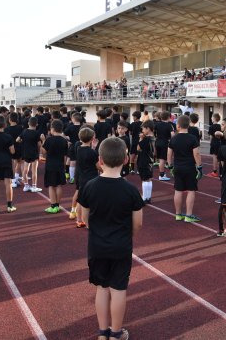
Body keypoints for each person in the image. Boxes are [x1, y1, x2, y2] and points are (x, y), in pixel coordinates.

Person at [78, 137, 144, 340]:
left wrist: (95, 228)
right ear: (126, 159)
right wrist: (128, 236)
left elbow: (84, 217)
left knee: (102, 288)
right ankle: (116, 333)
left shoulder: (89, 186)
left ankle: (102, 332)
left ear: (100, 160)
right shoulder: (131, 190)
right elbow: (138, 223)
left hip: (97, 246)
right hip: (121, 247)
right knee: (118, 290)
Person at [167, 115, 202, 222]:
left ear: (178, 126)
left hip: (177, 167)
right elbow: (196, 154)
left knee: (178, 190)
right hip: (190, 168)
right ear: (188, 125)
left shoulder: (174, 139)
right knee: (191, 190)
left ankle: (178, 214)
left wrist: (170, 166)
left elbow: (169, 154)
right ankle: (188, 215)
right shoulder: (193, 138)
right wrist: (199, 167)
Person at [70, 127, 101, 227]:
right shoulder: (92, 153)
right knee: (89, 203)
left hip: (81, 178)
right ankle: (88, 223)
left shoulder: (78, 149)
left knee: (81, 200)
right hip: (91, 179)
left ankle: (79, 220)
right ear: (92, 139)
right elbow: (98, 166)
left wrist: (93, 148)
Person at [42, 119, 68, 214]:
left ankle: (53, 205)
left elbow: (43, 152)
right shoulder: (64, 141)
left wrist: (43, 140)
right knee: (59, 185)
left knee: (51, 186)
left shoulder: (49, 140)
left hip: (50, 166)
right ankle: (57, 204)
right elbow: (65, 155)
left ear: (52, 129)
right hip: (60, 165)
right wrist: (64, 166)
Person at [17, 116, 43, 192]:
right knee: (34, 170)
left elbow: (17, 139)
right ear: (37, 124)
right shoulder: (37, 133)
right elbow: (39, 145)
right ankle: (34, 186)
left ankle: (26, 185)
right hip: (34, 153)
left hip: (25, 153)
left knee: (25, 170)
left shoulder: (24, 131)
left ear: (28, 123)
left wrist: (22, 142)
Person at [137, 120, 155, 203]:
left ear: (148, 129)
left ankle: (144, 198)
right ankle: (148, 197)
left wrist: (141, 138)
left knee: (144, 179)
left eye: (143, 129)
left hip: (143, 160)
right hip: (150, 160)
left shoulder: (146, 139)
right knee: (149, 179)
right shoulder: (153, 138)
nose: (142, 131)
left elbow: (138, 148)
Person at [154, 111, 174, 181]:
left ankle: (162, 174)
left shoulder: (156, 124)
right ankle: (161, 175)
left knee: (160, 159)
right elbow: (172, 135)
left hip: (157, 142)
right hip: (164, 143)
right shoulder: (169, 125)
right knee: (162, 160)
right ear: (168, 117)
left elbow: (154, 133)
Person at [5, 113, 24, 186]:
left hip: (10, 148)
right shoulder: (21, 128)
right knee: (20, 162)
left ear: (9, 120)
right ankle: (17, 179)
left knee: (13, 163)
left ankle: (14, 180)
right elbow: (22, 138)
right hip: (19, 147)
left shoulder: (6, 129)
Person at [64, 112, 83, 184]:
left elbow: (63, 134)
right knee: (80, 161)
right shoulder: (83, 127)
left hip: (72, 146)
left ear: (73, 119)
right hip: (82, 145)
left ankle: (71, 178)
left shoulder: (70, 127)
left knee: (72, 161)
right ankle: (78, 176)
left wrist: (68, 140)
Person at [207, 113, 222, 178]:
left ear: (214, 118)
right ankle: (222, 171)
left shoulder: (211, 126)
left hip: (214, 143)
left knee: (215, 157)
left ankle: (214, 171)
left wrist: (210, 143)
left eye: (212, 117)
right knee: (221, 158)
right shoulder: (220, 126)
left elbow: (211, 137)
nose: (211, 118)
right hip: (220, 143)